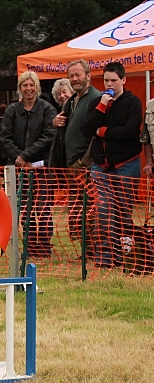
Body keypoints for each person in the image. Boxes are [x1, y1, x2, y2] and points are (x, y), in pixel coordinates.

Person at [81, 61, 143, 269]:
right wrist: (101, 107)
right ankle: (106, 257)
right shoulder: (98, 102)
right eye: (106, 80)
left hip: (126, 164)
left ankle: (126, 254)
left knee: (124, 211)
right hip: (101, 165)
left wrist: (103, 132)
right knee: (103, 211)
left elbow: (130, 131)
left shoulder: (132, 102)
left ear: (123, 80)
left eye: (113, 80)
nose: (109, 84)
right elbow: (86, 129)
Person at [0, 72, 57, 257]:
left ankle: (44, 246)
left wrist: (26, 155)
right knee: (24, 208)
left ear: (37, 87)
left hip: (41, 167)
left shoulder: (47, 109)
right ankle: (29, 245)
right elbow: (5, 138)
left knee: (42, 208)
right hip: (18, 169)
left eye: (32, 85)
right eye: (25, 85)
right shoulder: (12, 111)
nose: (29, 89)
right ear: (20, 88)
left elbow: (49, 136)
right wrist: (19, 158)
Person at [49, 59, 102, 240]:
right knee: (78, 210)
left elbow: (96, 134)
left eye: (78, 75)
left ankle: (93, 250)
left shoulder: (95, 97)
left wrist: (85, 161)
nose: (74, 79)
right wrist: (55, 123)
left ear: (88, 75)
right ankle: (85, 252)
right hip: (71, 164)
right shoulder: (71, 101)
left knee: (90, 210)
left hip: (84, 165)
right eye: (71, 76)